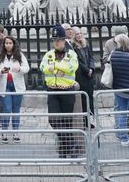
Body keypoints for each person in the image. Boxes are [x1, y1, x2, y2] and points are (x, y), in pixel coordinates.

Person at [40, 25, 80, 158]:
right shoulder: (49, 54)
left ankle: (65, 149)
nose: (56, 42)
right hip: (52, 90)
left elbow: (71, 67)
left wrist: (55, 66)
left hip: (67, 91)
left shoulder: (71, 54)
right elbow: (43, 67)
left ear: (64, 40)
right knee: (54, 120)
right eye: (54, 40)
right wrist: (58, 68)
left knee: (66, 121)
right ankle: (73, 143)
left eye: (59, 40)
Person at [0, 35, 29, 141]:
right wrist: (1, 71)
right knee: (7, 109)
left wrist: (19, 69)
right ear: (4, 45)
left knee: (16, 109)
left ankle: (15, 132)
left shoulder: (20, 55)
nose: (8, 45)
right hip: (5, 85)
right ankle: (4, 131)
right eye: (6, 43)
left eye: (10, 43)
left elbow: (26, 68)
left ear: (14, 44)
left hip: (17, 85)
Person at [71, 28, 96, 120]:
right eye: (77, 34)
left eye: (80, 33)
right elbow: (77, 61)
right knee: (83, 99)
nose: (79, 35)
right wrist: (87, 70)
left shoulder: (86, 44)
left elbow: (91, 58)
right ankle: (84, 120)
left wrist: (92, 69)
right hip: (81, 75)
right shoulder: (73, 47)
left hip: (89, 75)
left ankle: (89, 119)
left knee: (90, 97)